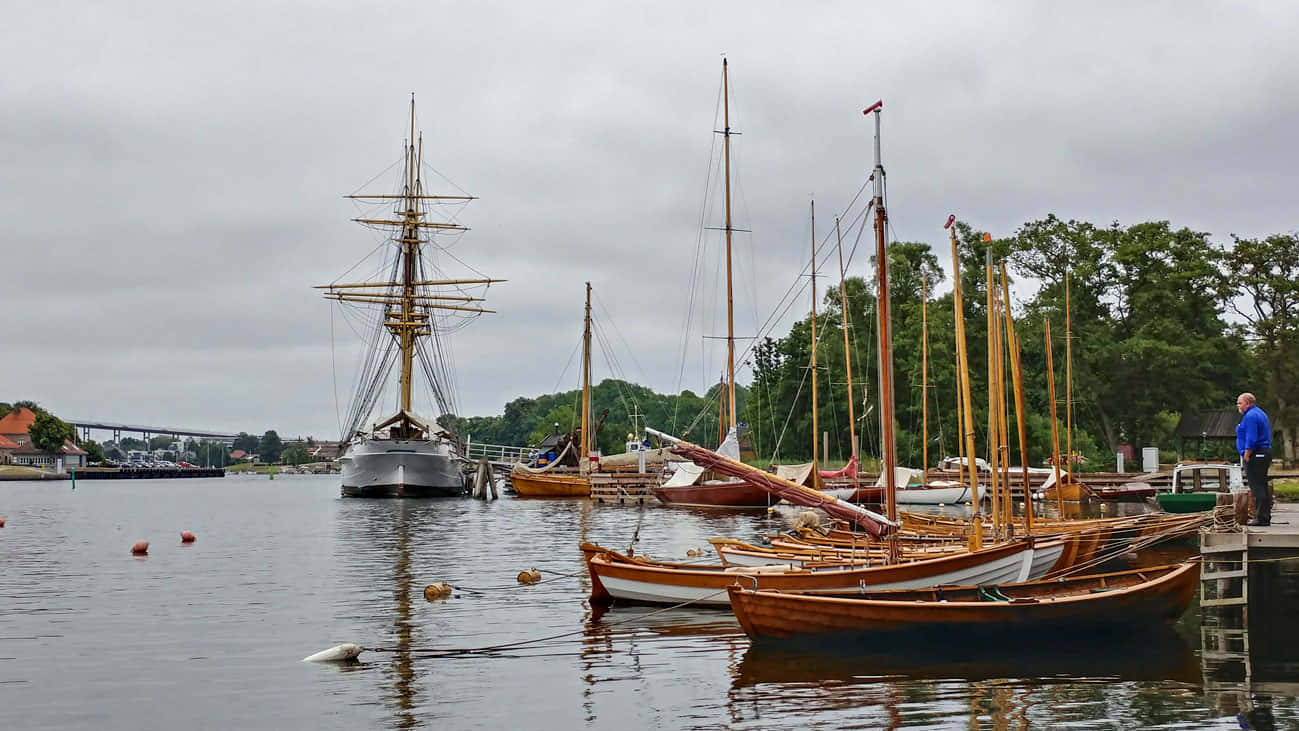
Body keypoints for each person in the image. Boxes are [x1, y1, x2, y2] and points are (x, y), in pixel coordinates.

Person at [1236, 392, 1273, 526]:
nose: (1238, 406)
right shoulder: (1259, 413)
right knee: (1262, 484)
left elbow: (1251, 438)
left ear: (1248, 403)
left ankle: (1261, 518)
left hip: (1256, 454)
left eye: (1240, 403)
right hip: (1263, 453)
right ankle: (1265, 516)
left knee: (1257, 486)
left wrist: (1246, 455)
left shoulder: (1251, 416)